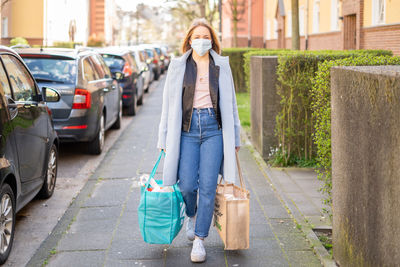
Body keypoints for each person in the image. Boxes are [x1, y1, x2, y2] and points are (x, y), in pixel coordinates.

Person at [157, 18, 240, 263]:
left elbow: (232, 104)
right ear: (189, 41)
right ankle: (191, 216)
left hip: (214, 129)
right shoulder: (177, 66)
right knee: (186, 186)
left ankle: (200, 240)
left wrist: (234, 136)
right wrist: (162, 137)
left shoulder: (221, 66)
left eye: (206, 37)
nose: (202, 41)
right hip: (186, 130)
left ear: (212, 41)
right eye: (197, 37)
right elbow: (167, 105)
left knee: (207, 187)